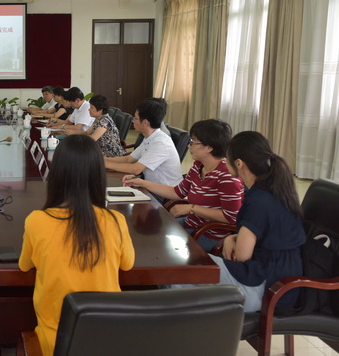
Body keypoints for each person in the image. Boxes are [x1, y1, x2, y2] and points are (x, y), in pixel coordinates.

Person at [19, 135, 135, 356]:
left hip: (54, 343)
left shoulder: (37, 220)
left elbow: (25, 267)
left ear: (57, 175)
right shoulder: (115, 220)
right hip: (108, 337)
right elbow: (127, 265)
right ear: (98, 176)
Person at [172, 131, 305, 313]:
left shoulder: (258, 200)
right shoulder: (275, 190)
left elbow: (242, 255)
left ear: (239, 164)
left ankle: (168, 328)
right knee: (186, 265)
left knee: (181, 270)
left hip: (266, 287)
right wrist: (231, 238)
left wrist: (232, 239)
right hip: (278, 279)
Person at [125, 119, 244, 251]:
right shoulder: (199, 165)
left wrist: (192, 208)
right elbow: (177, 192)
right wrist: (142, 183)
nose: (189, 146)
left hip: (209, 235)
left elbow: (231, 217)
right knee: (146, 232)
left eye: (193, 142)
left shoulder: (227, 176)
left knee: (158, 246)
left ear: (209, 147)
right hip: (191, 224)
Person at [105, 99, 181, 188]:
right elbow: (128, 159)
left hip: (163, 195)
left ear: (145, 122)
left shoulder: (161, 143)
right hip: (151, 187)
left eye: (136, 118)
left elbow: (136, 169)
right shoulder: (150, 137)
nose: (133, 121)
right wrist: (104, 160)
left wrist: (105, 164)